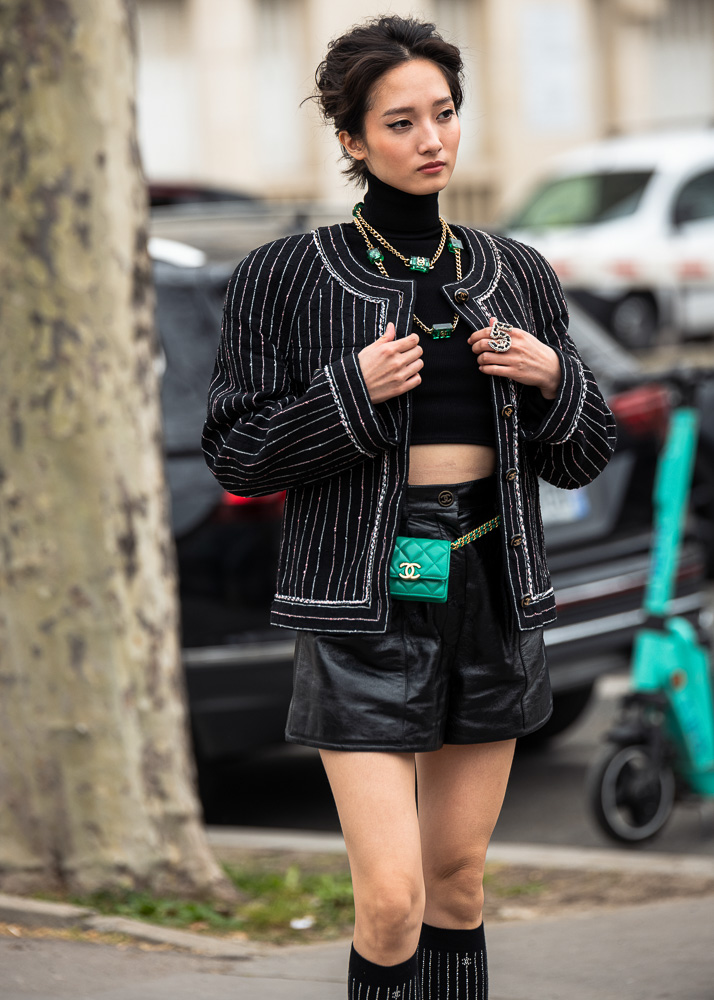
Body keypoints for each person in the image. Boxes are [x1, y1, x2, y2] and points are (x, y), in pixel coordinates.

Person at [203, 15, 616, 1000]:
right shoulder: (285, 276)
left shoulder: (515, 272)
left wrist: (555, 374)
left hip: (492, 588)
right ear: (352, 140)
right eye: (400, 122)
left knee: (456, 887)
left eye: (445, 113)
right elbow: (238, 454)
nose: (432, 139)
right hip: (363, 602)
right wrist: (350, 391)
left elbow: (584, 454)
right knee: (390, 900)